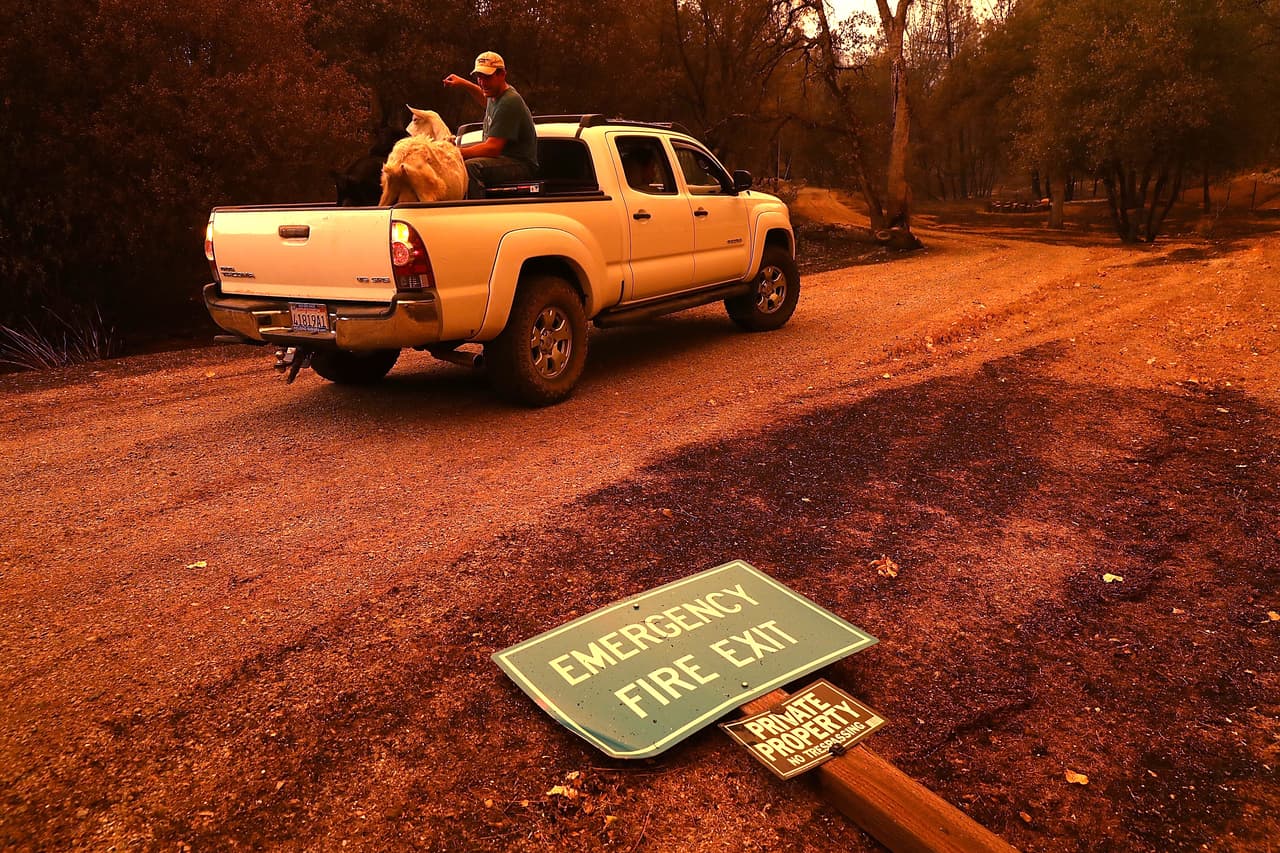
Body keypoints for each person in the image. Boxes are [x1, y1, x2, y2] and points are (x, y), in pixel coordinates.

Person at [443, 51, 538, 198]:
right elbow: (483, 97)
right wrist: (463, 83)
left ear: (502, 74)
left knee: (471, 167)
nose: (482, 82)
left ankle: (478, 212)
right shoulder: (495, 96)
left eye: (487, 77)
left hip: (520, 164)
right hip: (503, 160)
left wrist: (454, 152)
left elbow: (492, 148)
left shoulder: (509, 101)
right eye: (479, 77)